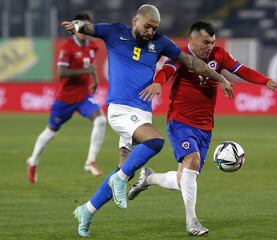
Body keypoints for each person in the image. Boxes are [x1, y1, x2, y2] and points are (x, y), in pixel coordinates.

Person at [61, 5, 233, 237]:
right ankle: (120, 180)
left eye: (154, 28)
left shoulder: (161, 42)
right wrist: (77, 26)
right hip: (120, 110)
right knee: (155, 142)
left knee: (124, 169)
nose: (151, 31)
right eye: (147, 26)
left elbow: (190, 61)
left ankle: (87, 210)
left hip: (141, 114)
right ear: (135, 21)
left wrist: (219, 77)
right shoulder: (115, 32)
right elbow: (90, 28)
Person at [127, 21, 277, 236]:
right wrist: (158, 83)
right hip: (180, 122)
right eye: (205, 42)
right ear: (191, 39)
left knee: (184, 179)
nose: (209, 47)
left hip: (205, 127)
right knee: (192, 161)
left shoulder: (220, 55)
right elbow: (167, 70)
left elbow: (242, 71)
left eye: (212, 42)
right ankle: (192, 221)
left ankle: (148, 178)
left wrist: (265, 81)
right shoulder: (181, 55)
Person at [26, 13, 106, 184]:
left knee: (100, 120)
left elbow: (91, 66)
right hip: (65, 99)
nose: (85, 31)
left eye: (88, 27)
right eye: (81, 27)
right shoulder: (67, 47)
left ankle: (90, 161)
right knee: (51, 132)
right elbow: (61, 73)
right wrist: (88, 72)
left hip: (84, 97)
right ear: (75, 29)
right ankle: (33, 160)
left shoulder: (93, 46)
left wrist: (95, 79)